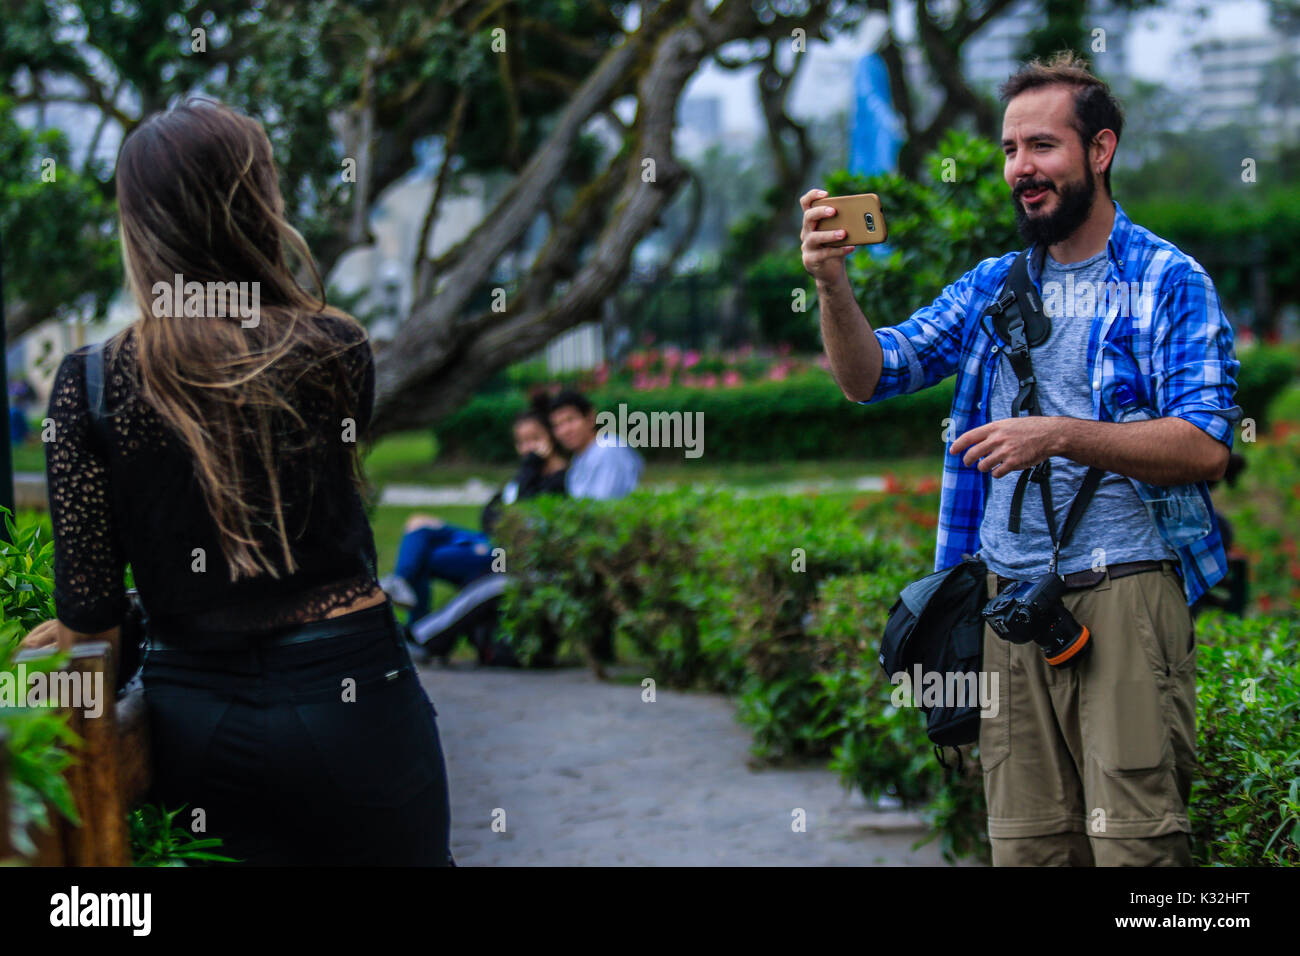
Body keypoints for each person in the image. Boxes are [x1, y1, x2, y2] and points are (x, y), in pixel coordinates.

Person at [804, 52, 1240, 867]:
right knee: (1028, 850)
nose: (1020, 170)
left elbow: (1206, 446)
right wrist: (833, 286)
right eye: (1009, 150)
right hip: (1007, 604)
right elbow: (872, 374)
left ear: (1100, 151)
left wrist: (1060, 432)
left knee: (1136, 852)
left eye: (1041, 147)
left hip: (1125, 591)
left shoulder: (1167, 280)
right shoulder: (990, 286)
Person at [20, 99, 452, 866]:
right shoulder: (337, 347)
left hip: (198, 719)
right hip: (356, 693)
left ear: (138, 223)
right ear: (259, 203)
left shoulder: (88, 383)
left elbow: (89, 621)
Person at [383, 394, 569, 622]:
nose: (527, 448)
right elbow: (490, 512)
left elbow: (519, 513)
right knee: (418, 523)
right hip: (488, 538)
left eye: (534, 439)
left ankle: (418, 628)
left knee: (428, 557)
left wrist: (531, 467)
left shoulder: (559, 479)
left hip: (504, 552)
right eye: (521, 442)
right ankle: (400, 583)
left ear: (551, 437)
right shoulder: (527, 473)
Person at [548, 389, 644, 500]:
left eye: (570, 420)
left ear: (590, 418)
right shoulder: (580, 456)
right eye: (558, 425)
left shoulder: (608, 449)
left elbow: (604, 503)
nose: (565, 430)